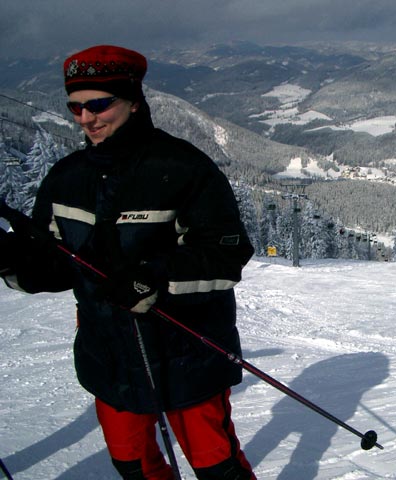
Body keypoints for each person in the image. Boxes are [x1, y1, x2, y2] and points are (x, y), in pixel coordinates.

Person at [0, 45, 256, 480]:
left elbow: (226, 254)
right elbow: (58, 264)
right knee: (133, 465)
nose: (86, 118)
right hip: (109, 357)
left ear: (133, 100)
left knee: (217, 467)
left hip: (186, 352)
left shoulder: (182, 169)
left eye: (99, 104)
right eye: (76, 107)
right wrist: (12, 261)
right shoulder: (66, 178)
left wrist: (156, 278)